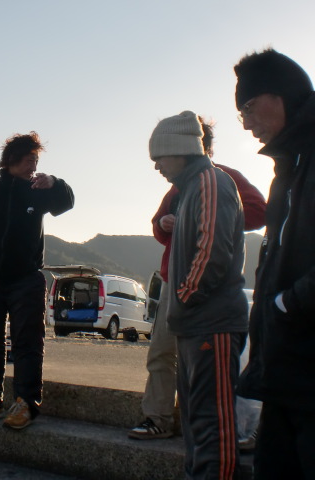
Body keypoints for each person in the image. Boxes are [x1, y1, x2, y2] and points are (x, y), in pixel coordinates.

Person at [129, 119, 266, 441]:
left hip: (204, 290)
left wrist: (213, 216)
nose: (158, 166)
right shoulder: (178, 187)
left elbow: (260, 211)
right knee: (161, 353)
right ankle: (158, 418)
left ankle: (211, 435)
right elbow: (157, 227)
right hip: (173, 282)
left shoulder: (222, 179)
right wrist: (164, 223)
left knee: (204, 366)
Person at [147, 111, 249, 478]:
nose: (156, 165)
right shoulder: (190, 188)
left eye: (159, 156)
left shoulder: (211, 182)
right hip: (194, 323)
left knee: (211, 425)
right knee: (195, 423)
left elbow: (212, 253)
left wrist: (184, 297)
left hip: (211, 322)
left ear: (180, 149)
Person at [234, 48, 315, 479]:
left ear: (278, 96)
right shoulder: (288, 166)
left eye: (248, 107)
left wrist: (288, 304)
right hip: (285, 372)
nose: (246, 123)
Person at [0, 131, 74, 430]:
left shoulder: (37, 189)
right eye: (29, 160)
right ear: (11, 160)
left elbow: (66, 202)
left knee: (27, 342)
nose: (33, 166)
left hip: (26, 278)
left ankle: (26, 403)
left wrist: (54, 182)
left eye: (36, 160)